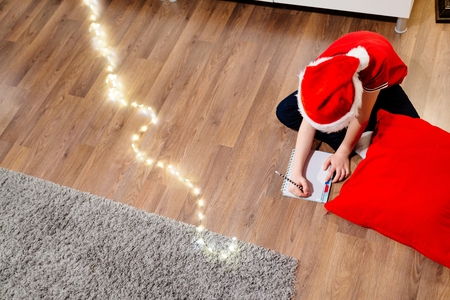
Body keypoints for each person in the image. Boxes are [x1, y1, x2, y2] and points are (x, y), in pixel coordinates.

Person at [276, 31, 419, 198]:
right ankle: (356, 138)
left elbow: (362, 116)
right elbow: (308, 121)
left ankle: (354, 139)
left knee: (413, 136)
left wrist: (343, 151)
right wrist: (296, 171)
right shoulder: (317, 73)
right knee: (285, 111)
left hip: (384, 86)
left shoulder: (376, 64)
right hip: (349, 83)